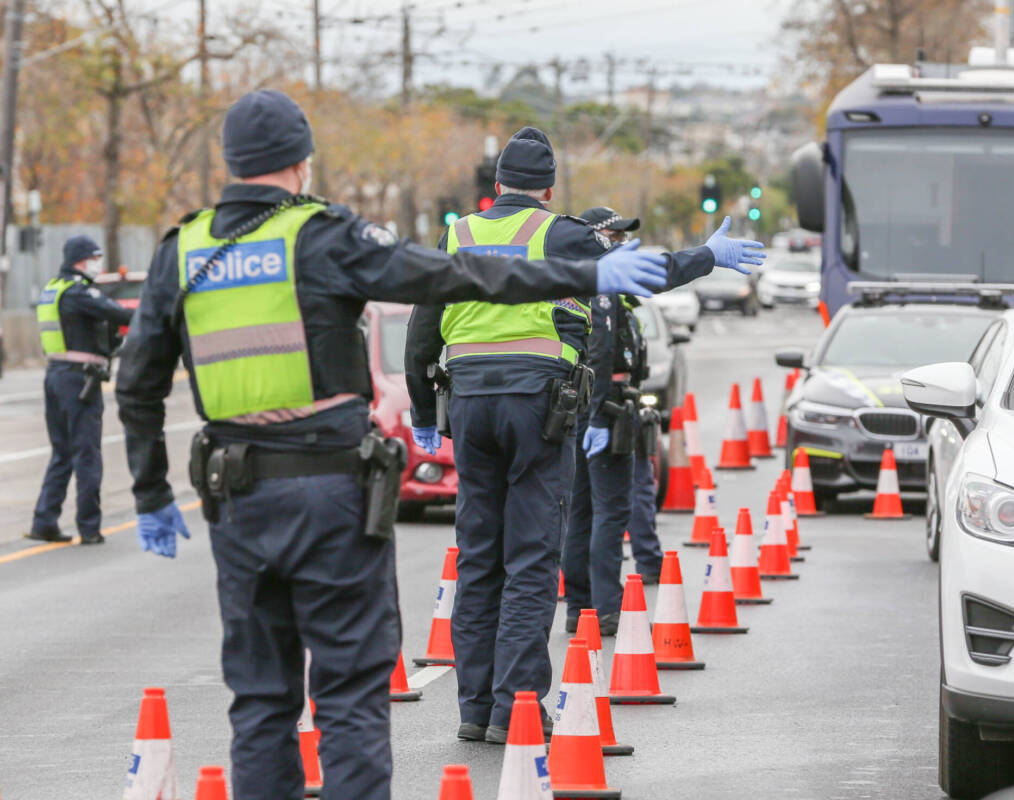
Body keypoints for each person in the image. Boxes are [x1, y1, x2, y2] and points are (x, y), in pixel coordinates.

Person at [115, 90, 669, 800]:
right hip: (330, 495)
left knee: (259, 698)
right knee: (349, 692)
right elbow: (455, 278)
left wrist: (152, 493)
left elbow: (138, 385)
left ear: (229, 161)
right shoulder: (323, 234)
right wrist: (585, 271)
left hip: (237, 497)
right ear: (300, 159)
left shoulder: (182, 248)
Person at [405, 127, 764, 744]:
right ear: (548, 188)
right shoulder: (561, 233)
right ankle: (514, 708)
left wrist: (421, 410)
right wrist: (709, 256)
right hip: (535, 406)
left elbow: (423, 324)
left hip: (467, 404)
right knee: (531, 557)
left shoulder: (459, 233)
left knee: (479, 552)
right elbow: (646, 273)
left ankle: (473, 708)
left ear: (496, 187)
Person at [563, 207, 663, 638]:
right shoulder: (601, 291)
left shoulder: (593, 285)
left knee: (582, 510)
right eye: (612, 235)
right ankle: (604, 607)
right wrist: (601, 413)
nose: (620, 242)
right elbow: (601, 355)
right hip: (604, 406)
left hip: (593, 404)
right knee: (609, 511)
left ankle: (580, 606)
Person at [29, 236, 132, 544]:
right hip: (79, 380)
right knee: (87, 452)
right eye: (95, 257)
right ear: (80, 260)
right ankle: (89, 527)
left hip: (56, 376)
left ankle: (44, 521)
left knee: (62, 452)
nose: (98, 262)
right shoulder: (78, 292)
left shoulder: (53, 289)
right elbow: (118, 313)